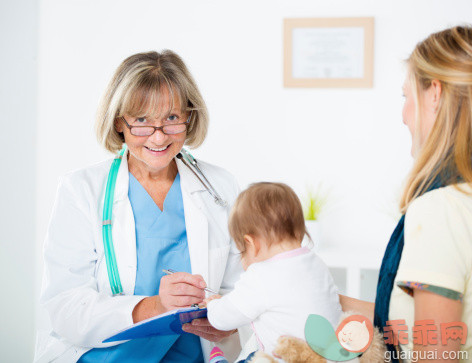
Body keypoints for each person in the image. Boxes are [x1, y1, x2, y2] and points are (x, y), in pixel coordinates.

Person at [35, 50, 245, 363]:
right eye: (142, 121)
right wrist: (156, 306)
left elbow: (243, 288)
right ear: (119, 121)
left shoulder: (220, 187)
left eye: (172, 118)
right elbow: (65, 306)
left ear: (190, 117)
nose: (159, 137)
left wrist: (229, 321)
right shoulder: (80, 190)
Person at [341, 26, 472, 362]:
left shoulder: (440, 208)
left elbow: (435, 352)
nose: (403, 116)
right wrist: (326, 297)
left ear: (434, 95)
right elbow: (417, 323)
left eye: (406, 96)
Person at [203, 182, 342, 360]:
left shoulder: (261, 275)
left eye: (241, 250)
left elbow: (223, 319)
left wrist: (213, 305)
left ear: (251, 244)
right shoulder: (316, 262)